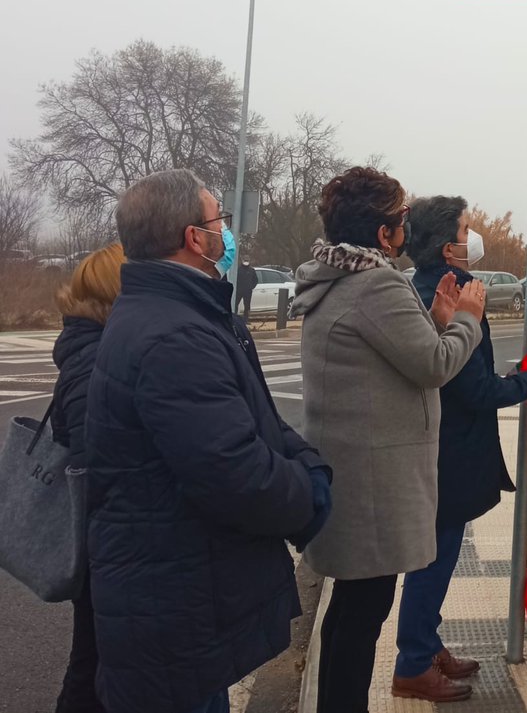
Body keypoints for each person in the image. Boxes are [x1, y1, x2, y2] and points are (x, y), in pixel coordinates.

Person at [87, 169, 331, 713]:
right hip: (172, 607)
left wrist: (305, 460)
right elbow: (236, 473)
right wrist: (311, 494)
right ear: (195, 238)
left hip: (176, 597)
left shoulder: (180, 316)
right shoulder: (174, 335)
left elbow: (256, 421)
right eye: (219, 219)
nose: (227, 232)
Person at [290, 167, 485, 710]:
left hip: (350, 474)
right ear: (383, 234)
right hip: (371, 486)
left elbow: (390, 353)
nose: (405, 224)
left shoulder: (337, 279)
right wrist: (466, 320)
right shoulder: (375, 283)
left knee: (353, 611)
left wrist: (435, 317)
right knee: (361, 614)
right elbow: (433, 364)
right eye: (400, 216)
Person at [399, 197, 527, 696]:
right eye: (468, 230)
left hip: (436, 446)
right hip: (452, 452)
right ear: (449, 248)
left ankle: (426, 642)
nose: (475, 236)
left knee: (434, 554)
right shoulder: (461, 295)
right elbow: (474, 389)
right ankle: (414, 664)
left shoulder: (417, 287)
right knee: (435, 558)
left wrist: (507, 378)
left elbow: (470, 375)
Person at [48, 242, 124, 713]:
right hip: (105, 543)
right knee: (94, 666)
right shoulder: (98, 360)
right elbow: (98, 461)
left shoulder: (86, 347)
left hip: (99, 539)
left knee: (93, 660)